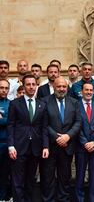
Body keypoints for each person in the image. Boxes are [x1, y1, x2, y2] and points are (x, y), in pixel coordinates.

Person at [7, 74, 49, 202]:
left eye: (33, 84)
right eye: (28, 85)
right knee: (18, 181)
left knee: (30, 180)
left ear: (36, 86)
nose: (31, 87)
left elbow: (44, 127)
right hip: (18, 148)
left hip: (35, 148)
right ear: (23, 87)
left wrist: (46, 146)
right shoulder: (15, 104)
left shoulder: (42, 104)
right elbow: (10, 125)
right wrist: (11, 146)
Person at [41, 77, 81, 202]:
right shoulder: (44, 101)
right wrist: (57, 137)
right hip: (51, 146)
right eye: (59, 86)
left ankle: (64, 200)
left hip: (67, 146)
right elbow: (43, 123)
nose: (62, 89)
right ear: (53, 87)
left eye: (64, 86)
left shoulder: (74, 102)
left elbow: (78, 122)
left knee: (65, 178)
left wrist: (67, 136)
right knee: (48, 178)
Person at [75, 82, 94, 202]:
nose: (88, 92)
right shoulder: (75, 105)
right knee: (80, 176)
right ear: (81, 91)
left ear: (93, 92)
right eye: (86, 90)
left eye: (91, 90)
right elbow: (76, 126)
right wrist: (85, 142)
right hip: (81, 146)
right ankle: (79, 199)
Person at [0, 79, 11, 201]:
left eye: (6, 88)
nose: (3, 90)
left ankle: (3, 198)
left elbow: (11, 122)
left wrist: (3, 119)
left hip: (7, 143)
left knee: (5, 174)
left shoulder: (12, 104)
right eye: (1, 87)